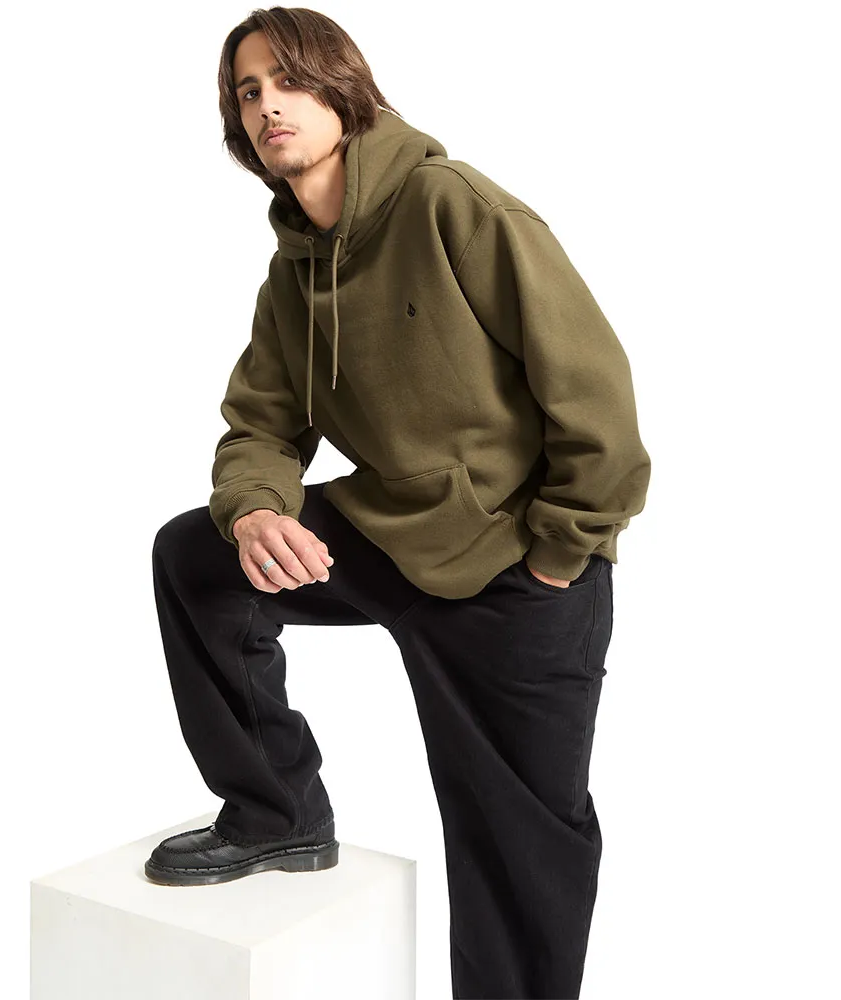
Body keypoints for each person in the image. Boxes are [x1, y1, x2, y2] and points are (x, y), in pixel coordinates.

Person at [145, 7, 651, 998]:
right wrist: (255, 511)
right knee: (195, 555)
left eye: (290, 80)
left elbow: (598, 407)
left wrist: (559, 552)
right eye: (248, 91)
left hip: (516, 568)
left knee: (516, 856)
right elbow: (259, 427)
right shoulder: (296, 269)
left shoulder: (454, 206)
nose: (268, 105)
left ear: (343, 89)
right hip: (390, 536)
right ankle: (278, 811)